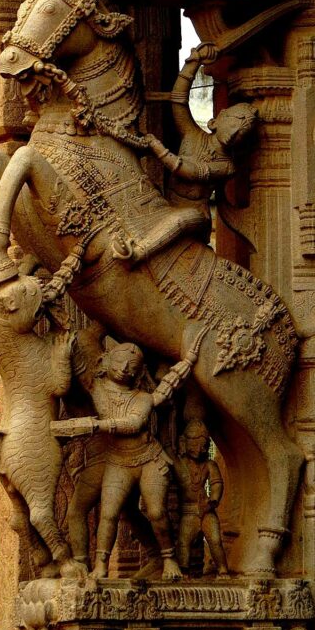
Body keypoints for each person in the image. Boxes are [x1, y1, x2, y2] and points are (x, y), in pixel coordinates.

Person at [52, 325, 207, 579]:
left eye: (132, 366)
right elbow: (80, 368)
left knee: (156, 512)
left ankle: (169, 559)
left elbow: (134, 423)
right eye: (120, 361)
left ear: (138, 372)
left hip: (149, 460)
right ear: (106, 360)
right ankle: (101, 565)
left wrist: (96, 426)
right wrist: (65, 348)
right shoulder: (97, 387)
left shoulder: (143, 398)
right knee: (109, 513)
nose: (125, 368)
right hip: (118, 461)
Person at [112, 42, 258, 265]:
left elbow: (190, 171)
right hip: (166, 203)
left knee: (182, 218)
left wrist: (158, 149)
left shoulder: (227, 166)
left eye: (242, 133)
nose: (234, 132)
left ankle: (137, 254)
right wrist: (194, 61)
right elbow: (178, 100)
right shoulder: (191, 134)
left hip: (195, 216)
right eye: (234, 123)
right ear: (216, 120)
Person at [171, 418, 228, 575]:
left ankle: (223, 570)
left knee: (215, 541)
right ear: (184, 443)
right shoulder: (180, 463)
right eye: (195, 444)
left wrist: (213, 500)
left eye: (203, 445)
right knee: (183, 543)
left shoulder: (209, 465)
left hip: (207, 510)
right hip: (188, 512)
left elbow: (217, 484)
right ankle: (184, 573)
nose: (199, 449)